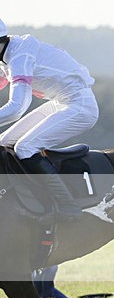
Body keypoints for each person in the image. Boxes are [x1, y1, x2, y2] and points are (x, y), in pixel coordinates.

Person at [0, 17, 98, 219]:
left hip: (80, 106)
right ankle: (22, 198)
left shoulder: (20, 57)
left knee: (24, 148)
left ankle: (67, 206)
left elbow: (17, 108)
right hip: (60, 102)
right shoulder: (5, 57)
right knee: (4, 142)